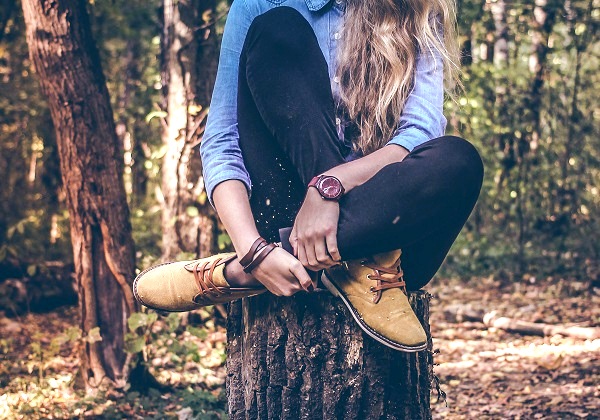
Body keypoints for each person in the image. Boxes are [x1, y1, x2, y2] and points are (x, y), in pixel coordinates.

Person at [133, 0, 484, 352]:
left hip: (386, 235)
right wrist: (251, 247)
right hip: (289, 209)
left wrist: (329, 188)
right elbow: (223, 141)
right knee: (278, 30)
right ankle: (331, 261)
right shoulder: (258, 3)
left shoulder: (417, 6)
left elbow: (420, 132)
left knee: (459, 160)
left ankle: (238, 274)